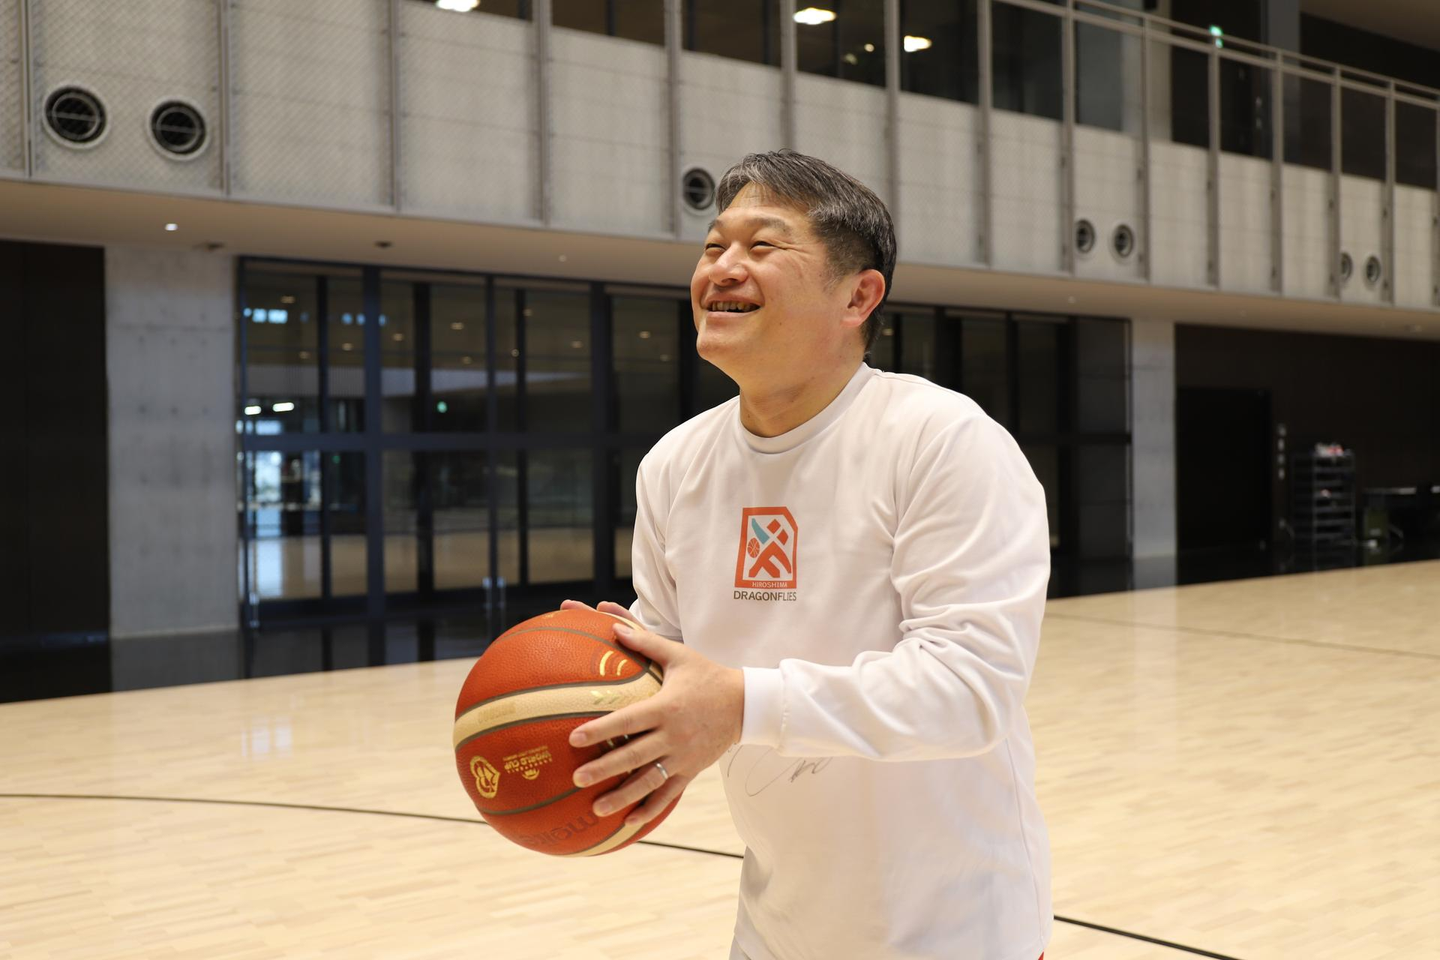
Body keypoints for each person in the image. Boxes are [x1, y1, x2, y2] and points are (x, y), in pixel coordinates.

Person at [562, 150, 1051, 960]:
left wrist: (740, 704)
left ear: (858, 296)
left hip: (955, 933)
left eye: (762, 245)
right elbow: (677, 668)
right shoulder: (675, 465)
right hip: (776, 928)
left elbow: (971, 691)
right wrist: (607, 680)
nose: (723, 267)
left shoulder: (942, 440)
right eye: (713, 246)